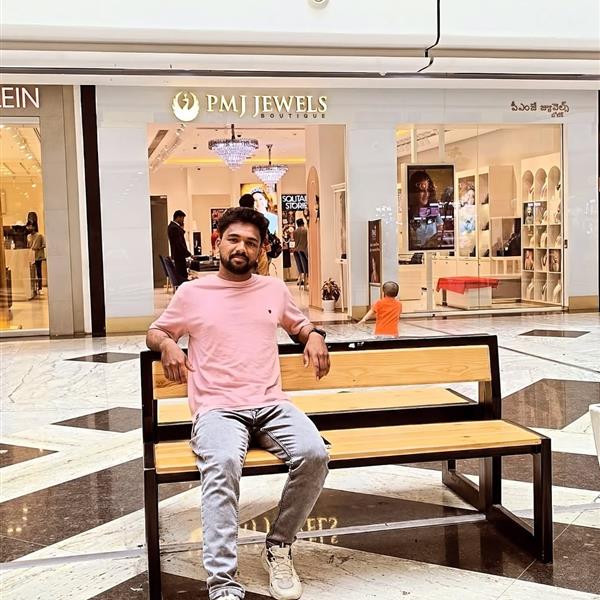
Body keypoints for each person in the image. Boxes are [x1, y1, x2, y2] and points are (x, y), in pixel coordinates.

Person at [146, 207, 330, 600]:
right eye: (233, 239)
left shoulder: (273, 290)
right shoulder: (192, 293)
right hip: (218, 409)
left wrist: (314, 335)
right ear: (218, 242)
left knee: (314, 454)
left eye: (250, 242)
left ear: (261, 249)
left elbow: (298, 324)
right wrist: (167, 344)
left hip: (271, 404)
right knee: (224, 464)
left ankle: (278, 545)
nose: (241, 248)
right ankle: (223, 584)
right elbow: (156, 331)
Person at [408, 171, 443, 250]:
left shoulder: (433, 211)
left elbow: (441, 228)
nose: (426, 194)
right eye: (422, 191)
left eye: (428, 190)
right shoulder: (408, 214)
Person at [240, 194, 270, 276]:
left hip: (241, 248)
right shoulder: (259, 218)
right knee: (263, 275)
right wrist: (267, 247)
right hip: (257, 248)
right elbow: (264, 235)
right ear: (253, 204)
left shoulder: (235, 218)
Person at [168, 210, 191, 284]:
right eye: (182, 218)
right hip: (179, 256)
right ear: (178, 217)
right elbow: (179, 243)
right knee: (182, 276)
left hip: (178, 256)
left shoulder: (173, 227)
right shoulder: (174, 228)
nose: (183, 221)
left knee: (183, 275)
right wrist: (188, 254)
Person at [26, 224, 46, 293]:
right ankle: (33, 288)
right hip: (31, 256)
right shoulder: (28, 236)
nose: (28, 228)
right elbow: (28, 246)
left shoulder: (40, 235)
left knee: (38, 271)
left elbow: (44, 245)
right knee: (32, 272)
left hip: (38, 256)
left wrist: (37, 248)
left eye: (30, 226)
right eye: (28, 226)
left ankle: (40, 288)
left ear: (34, 227)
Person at [292, 219, 308, 288]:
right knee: (306, 269)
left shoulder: (294, 232)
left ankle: (301, 279)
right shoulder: (305, 230)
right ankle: (306, 282)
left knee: (300, 269)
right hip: (303, 251)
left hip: (296, 251)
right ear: (303, 223)